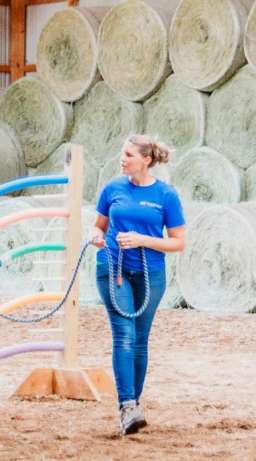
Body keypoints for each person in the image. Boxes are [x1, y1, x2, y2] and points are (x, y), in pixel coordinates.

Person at [90, 134, 186, 436]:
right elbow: (99, 226)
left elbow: (178, 242)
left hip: (150, 273)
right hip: (112, 268)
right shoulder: (112, 189)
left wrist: (142, 240)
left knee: (141, 340)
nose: (123, 159)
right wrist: (96, 237)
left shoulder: (166, 195)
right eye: (123, 153)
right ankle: (128, 405)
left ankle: (132, 406)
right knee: (125, 334)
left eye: (129, 155)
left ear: (146, 160)